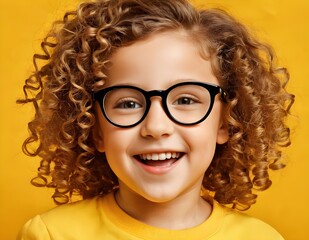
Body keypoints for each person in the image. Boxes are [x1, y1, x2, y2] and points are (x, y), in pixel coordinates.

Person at [17, 0, 294, 239]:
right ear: (95, 128)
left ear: (225, 122)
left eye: (185, 100)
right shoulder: (51, 234)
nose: (156, 127)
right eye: (127, 103)